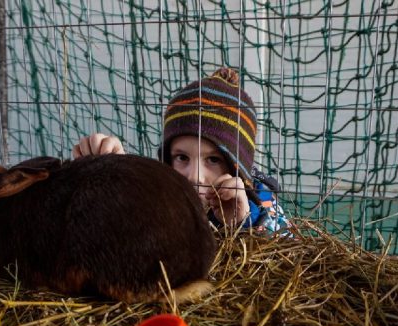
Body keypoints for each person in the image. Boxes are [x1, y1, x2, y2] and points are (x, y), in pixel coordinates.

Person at [73, 68, 290, 234]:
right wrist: (115, 175)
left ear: (238, 166)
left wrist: (242, 223)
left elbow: (289, 254)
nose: (193, 176)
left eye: (213, 159)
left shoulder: (262, 201)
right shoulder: (161, 193)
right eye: (181, 157)